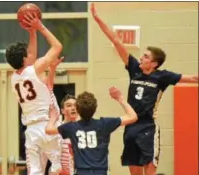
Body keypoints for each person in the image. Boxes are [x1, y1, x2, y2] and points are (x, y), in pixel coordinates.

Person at [91, 3, 199, 175]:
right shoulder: (134, 68)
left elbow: (193, 78)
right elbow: (116, 41)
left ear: (154, 63)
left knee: (149, 170)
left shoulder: (162, 76)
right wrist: (98, 20)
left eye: (146, 56)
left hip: (148, 126)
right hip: (131, 125)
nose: (141, 57)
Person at [6, 12, 63, 175]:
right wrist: (40, 27)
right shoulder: (35, 69)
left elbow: (30, 57)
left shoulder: (14, 78)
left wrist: (32, 33)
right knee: (59, 168)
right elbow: (57, 46)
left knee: (35, 172)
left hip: (32, 130)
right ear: (24, 58)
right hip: (49, 124)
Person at [46, 86, 138, 175]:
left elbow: (48, 130)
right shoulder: (104, 124)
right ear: (95, 108)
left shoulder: (71, 127)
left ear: (78, 109)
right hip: (100, 172)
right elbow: (133, 117)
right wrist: (120, 99)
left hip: (81, 171)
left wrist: (53, 118)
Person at [59, 94, 79, 175]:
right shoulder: (55, 129)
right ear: (62, 111)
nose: (73, 108)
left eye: (75, 105)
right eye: (69, 105)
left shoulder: (83, 130)